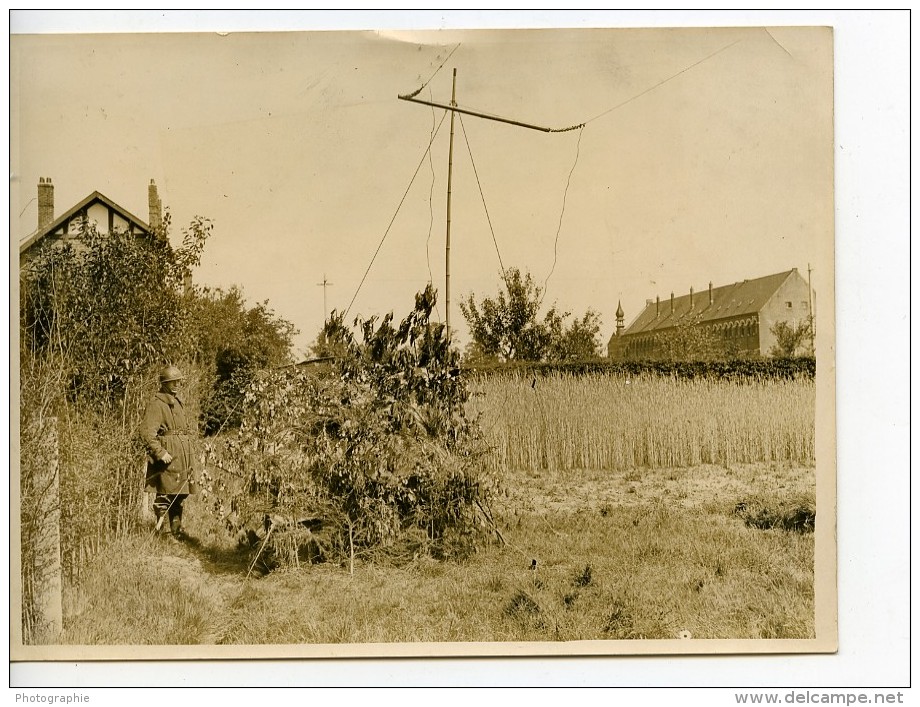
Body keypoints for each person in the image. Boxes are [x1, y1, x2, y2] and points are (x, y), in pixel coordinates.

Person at [139, 365, 198, 541]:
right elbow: (146, 433)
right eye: (172, 382)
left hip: (183, 456)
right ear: (164, 383)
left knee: (180, 493)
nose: (177, 384)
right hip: (168, 458)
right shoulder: (156, 404)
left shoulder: (177, 401)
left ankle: (176, 531)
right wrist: (160, 453)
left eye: (178, 381)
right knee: (165, 494)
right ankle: (163, 534)